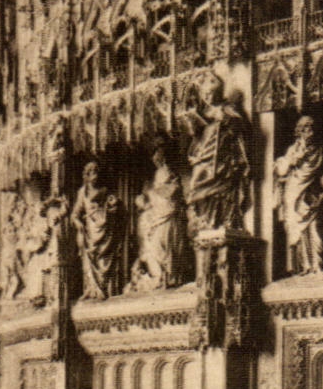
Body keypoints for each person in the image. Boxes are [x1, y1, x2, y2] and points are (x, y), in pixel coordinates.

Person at [185, 73, 253, 233]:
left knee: (223, 189)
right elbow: (195, 136)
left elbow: (242, 127)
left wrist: (226, 119)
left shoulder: (228, 108)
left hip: (222, 157)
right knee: (195, 185)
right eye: (205, 94)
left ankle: (220, 221)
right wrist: (192, 124)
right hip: (204, 154)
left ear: (218, 93)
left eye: (210, 93)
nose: (207, 97)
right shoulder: (204, 111)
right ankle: (205, 220)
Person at [273, 115, 323, 275]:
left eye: (311, 127)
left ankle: (318, 266)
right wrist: (292, 160)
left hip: (313, 194)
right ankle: (305, 267)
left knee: (316, 232)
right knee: (298, 232)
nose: (309, 130)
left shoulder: (321, 150)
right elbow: (282, 170)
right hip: (294, 193)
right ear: (299, 131)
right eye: (305, 127)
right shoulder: (293, 150)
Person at [130, 147, 191, 290]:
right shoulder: (152, 179)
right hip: (156, 216)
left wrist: (155, 193)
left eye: (159, 157)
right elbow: (146, 198)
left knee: (165, 244)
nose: (156, 160)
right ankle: (161, 276)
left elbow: (173, 190)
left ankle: (169, 276)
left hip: (167, 214)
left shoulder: (168, 173)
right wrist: (145, 199)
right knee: (153, 246)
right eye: (154, 158)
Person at [71, 160, 127, 299]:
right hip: (89, 230)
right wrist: (78, 223)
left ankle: (104, 288)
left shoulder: (104, 191)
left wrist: (113, 206)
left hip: (105, 229)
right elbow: (75, 214)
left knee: (105, 259)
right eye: (92, 172)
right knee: (89, 258)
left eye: (96, 172)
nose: (95, 175)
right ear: (87, 175)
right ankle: (91, 289)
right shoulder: (82, 192)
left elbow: (115, 208)